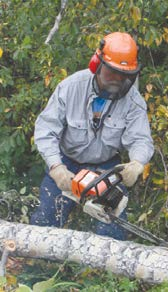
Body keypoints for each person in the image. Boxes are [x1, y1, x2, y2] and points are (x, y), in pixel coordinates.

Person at [30, 32, 154, 240]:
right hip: (67, 162)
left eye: (124, 75)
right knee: (47, 219)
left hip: (105, 167)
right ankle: (35, 269)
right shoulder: (71, 88)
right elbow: (46, 129)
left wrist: (136, 163)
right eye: (112, 73)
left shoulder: (133, 101)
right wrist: (56, 167)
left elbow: (140, 138)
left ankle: (105, 269)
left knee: (111, 227)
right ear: (97, 64)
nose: (117, 80)